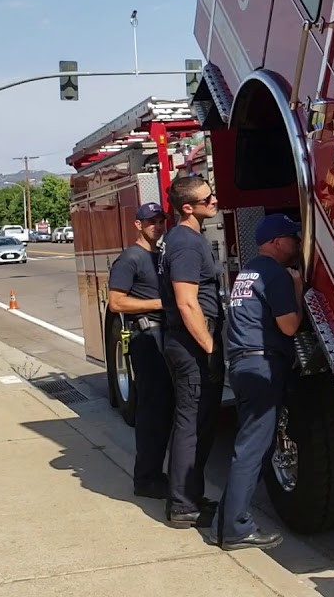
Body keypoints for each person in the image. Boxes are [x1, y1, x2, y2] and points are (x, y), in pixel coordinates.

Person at [210, 213, 304, 551]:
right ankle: (235, 529)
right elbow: (290, 326)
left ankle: (222, 522)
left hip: (242, 364)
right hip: (262, 365)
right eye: (292, 238)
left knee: (250, 447)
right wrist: (297, 288)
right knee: (251, 450)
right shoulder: (276, 275)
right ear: (277, 242)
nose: (297, 244)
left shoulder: (247, 272)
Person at [158, 175, 225, 528]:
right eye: (207, 198)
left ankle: (191, 497)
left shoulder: (184, 238)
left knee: (201, 422)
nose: (214, 201)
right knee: (191, 423)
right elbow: (187, 303)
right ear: (188, 207)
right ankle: (183, 505)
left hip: (189, 341)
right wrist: (211, 348)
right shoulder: (184, 243)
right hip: (191, 343)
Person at [106, 202, 172, 499]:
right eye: (150, 222)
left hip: (164, 335)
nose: (156, 226)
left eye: (160, 220)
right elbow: (117, 303)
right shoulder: (130, 259)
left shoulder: (160, 255)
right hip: (145, 337)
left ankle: (157, 474)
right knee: (152, 411)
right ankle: (146, 479)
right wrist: (161, 305)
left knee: (164, 410)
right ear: (138, 225)